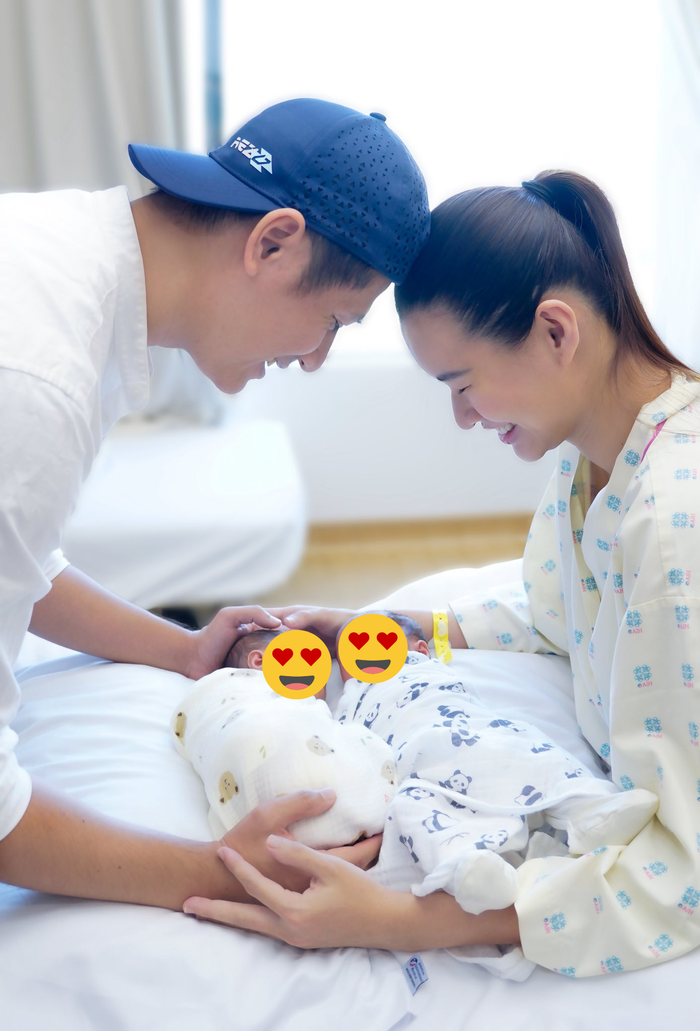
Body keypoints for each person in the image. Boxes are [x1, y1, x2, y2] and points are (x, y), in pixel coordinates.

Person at [186, 171, 700, 977]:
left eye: (462, 383)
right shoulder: (596, 463)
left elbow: (685, 874)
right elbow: (560, 614)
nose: (462, 417)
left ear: (555, 331)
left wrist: (402, 918)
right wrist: (394, 630)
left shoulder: (673, 528)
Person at [0, 99, 430, 909]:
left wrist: (187, 651)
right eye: (333, 321)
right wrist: (223, 869)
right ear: (273, 242)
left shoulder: (67, 263)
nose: (314, 359)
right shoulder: (37, 376)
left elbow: (21, 563)